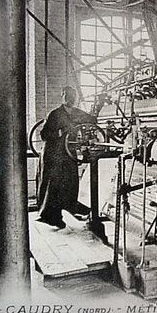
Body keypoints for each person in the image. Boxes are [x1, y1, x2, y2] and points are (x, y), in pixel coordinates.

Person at [36, 86, 97, 229]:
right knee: (53, 186)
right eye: (67, 95)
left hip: (68, 154)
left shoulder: (77, 113)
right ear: (62, 96)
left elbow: (92, 120)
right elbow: (44, 135)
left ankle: (71, 209)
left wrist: (98, 106)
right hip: (53, 155)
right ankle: (51, 217)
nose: (70, 98)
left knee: (70, 183)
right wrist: (60, 132)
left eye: (72, 96)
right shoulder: (55, 114)